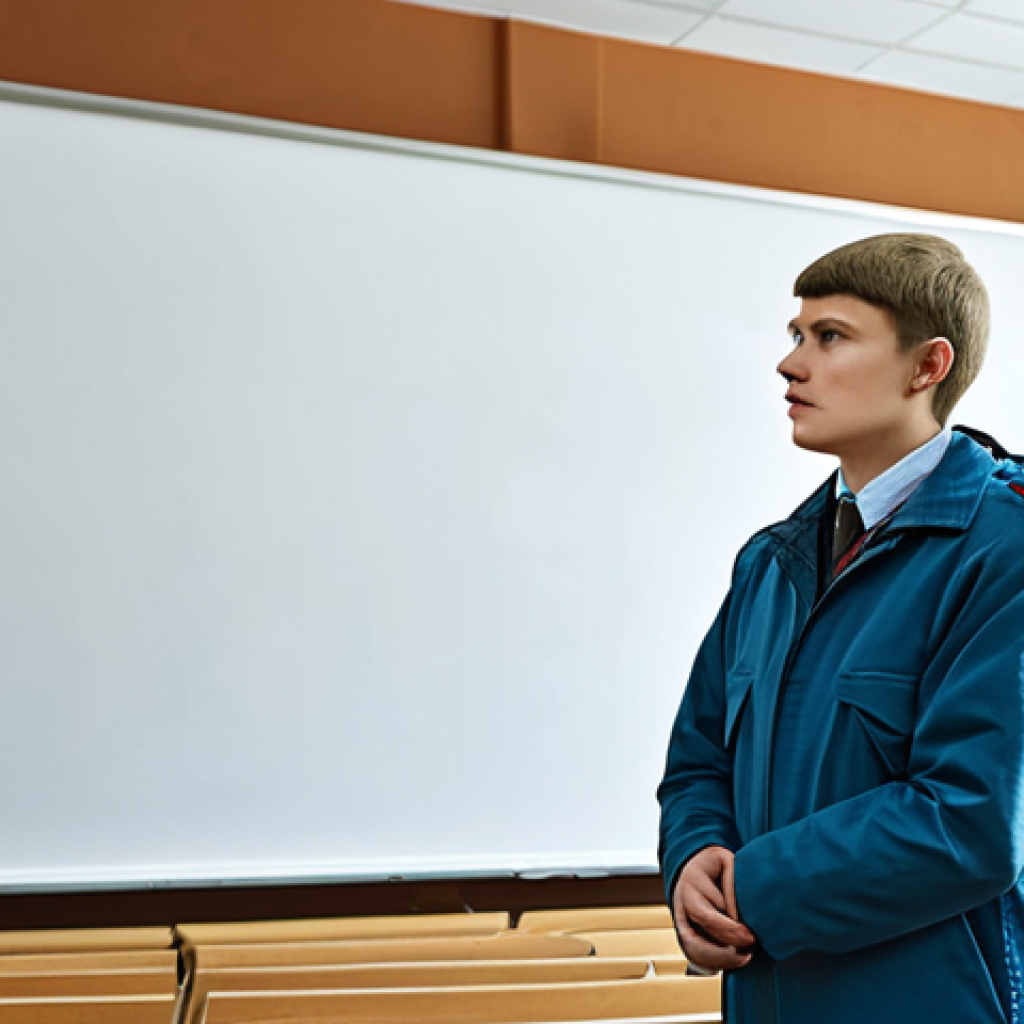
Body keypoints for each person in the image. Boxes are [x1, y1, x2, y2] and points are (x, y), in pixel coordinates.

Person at [657, 233, 1024, 1024]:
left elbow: (971, 820)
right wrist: (691, 862)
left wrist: (747, 888)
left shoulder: (1006, 549)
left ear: (928, 366)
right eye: (797, 336)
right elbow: (696, 766)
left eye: (830, 337)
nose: (791, 364)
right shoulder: (768, 564)